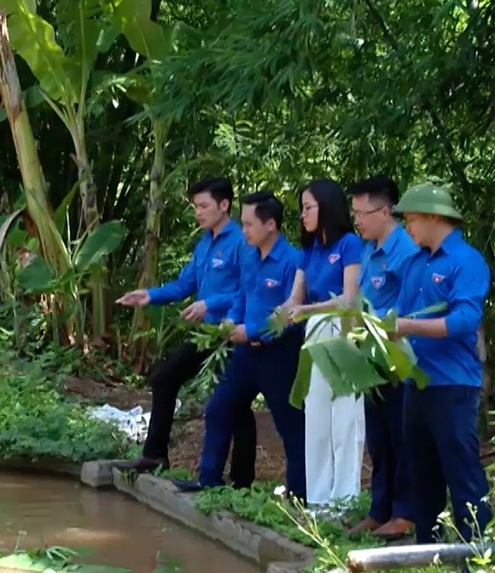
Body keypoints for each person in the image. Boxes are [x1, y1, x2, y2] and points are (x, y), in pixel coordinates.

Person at [114, 176, 257, 485]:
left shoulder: (242, 242)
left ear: (224, 205)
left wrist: (210, 303)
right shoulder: (205, 242)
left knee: (234, 404)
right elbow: (184, 284)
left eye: (204, 206)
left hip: (232, 334)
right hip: (205, 334)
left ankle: (242, 481)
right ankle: (155, 454)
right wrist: (150, 295)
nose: (198, 212)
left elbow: (249, 291)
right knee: (165, 378)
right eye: (195, 207)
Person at [374, 181, 493, 543]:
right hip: (417, 382)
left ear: (432, 217)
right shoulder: (415, 263)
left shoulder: (466, 261)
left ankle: (477, 550)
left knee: (461, 469)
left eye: (410, 219)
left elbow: (464, 321)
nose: (407, 227)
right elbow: (400, 313)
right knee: (421, 472)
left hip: (454, 384)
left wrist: (409, 327)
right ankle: (427, 548)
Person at [174, 191, 306, 498]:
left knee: (289, 425)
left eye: (248, 224)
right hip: (246, 353)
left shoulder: (293, 261)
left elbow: (291, 315)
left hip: (279, 355)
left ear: (270, 224)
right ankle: (209, 479)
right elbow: (242, 296)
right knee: (220, 408)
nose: (243, 230)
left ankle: (300, 494)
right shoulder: (248, 256)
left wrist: (255, 330)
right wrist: (233, 321)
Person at [344, 175, 422, 537]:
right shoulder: (368, 248)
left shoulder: (406, 251)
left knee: (400, 437)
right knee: (378, 437)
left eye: (363, 212)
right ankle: (380, 509)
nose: (357, 220)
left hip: (398, 358)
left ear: (386, 211)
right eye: (354, 212)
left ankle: (405, 513)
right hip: (369, 356)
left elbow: (412, 308)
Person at [280, 178, 365, 508]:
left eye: (308, 207)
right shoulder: (308, 250)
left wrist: (306, 310)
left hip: (342, 333)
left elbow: (348, 299)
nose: (303, 215)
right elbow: (294, 298)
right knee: (315, 417)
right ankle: (318, 501)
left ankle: (344, 499)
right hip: (313, 333)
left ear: (327, 207)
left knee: (344, 420)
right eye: (301, 209)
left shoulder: (349, 245)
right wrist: (283, 311)